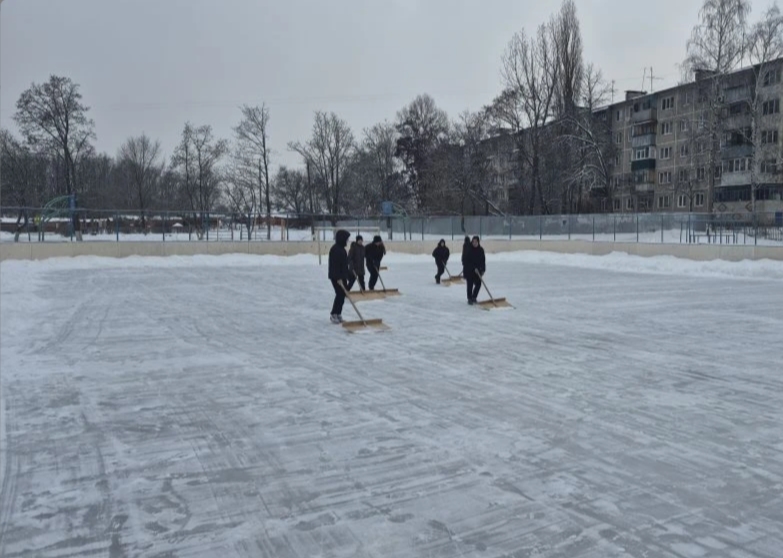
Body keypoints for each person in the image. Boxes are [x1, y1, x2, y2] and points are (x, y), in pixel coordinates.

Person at [328, 229, 351, 323]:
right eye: (346, 239)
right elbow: (335, 265)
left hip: (342, 276)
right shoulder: (336, 249)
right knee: (339, 294)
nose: (347, 241)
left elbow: (344, 264)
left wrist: (347, 275)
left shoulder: (342, 249)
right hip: (336, 277)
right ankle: (334, 314)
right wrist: (338, 278)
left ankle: (338, 314)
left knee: (342, 295)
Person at [463, 235, 486, 305]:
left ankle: (474, 297)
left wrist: (482, 269)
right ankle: (469, 298)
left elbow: (483, 261)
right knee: (470, 285)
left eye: (476, 242)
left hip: (477, 271)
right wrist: (472, 268)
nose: (474, 243)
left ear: (478, 242)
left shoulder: (481, 250)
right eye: (473, 242)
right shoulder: (469, 250)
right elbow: (466, 261)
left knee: (478, 284)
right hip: (469, 271)